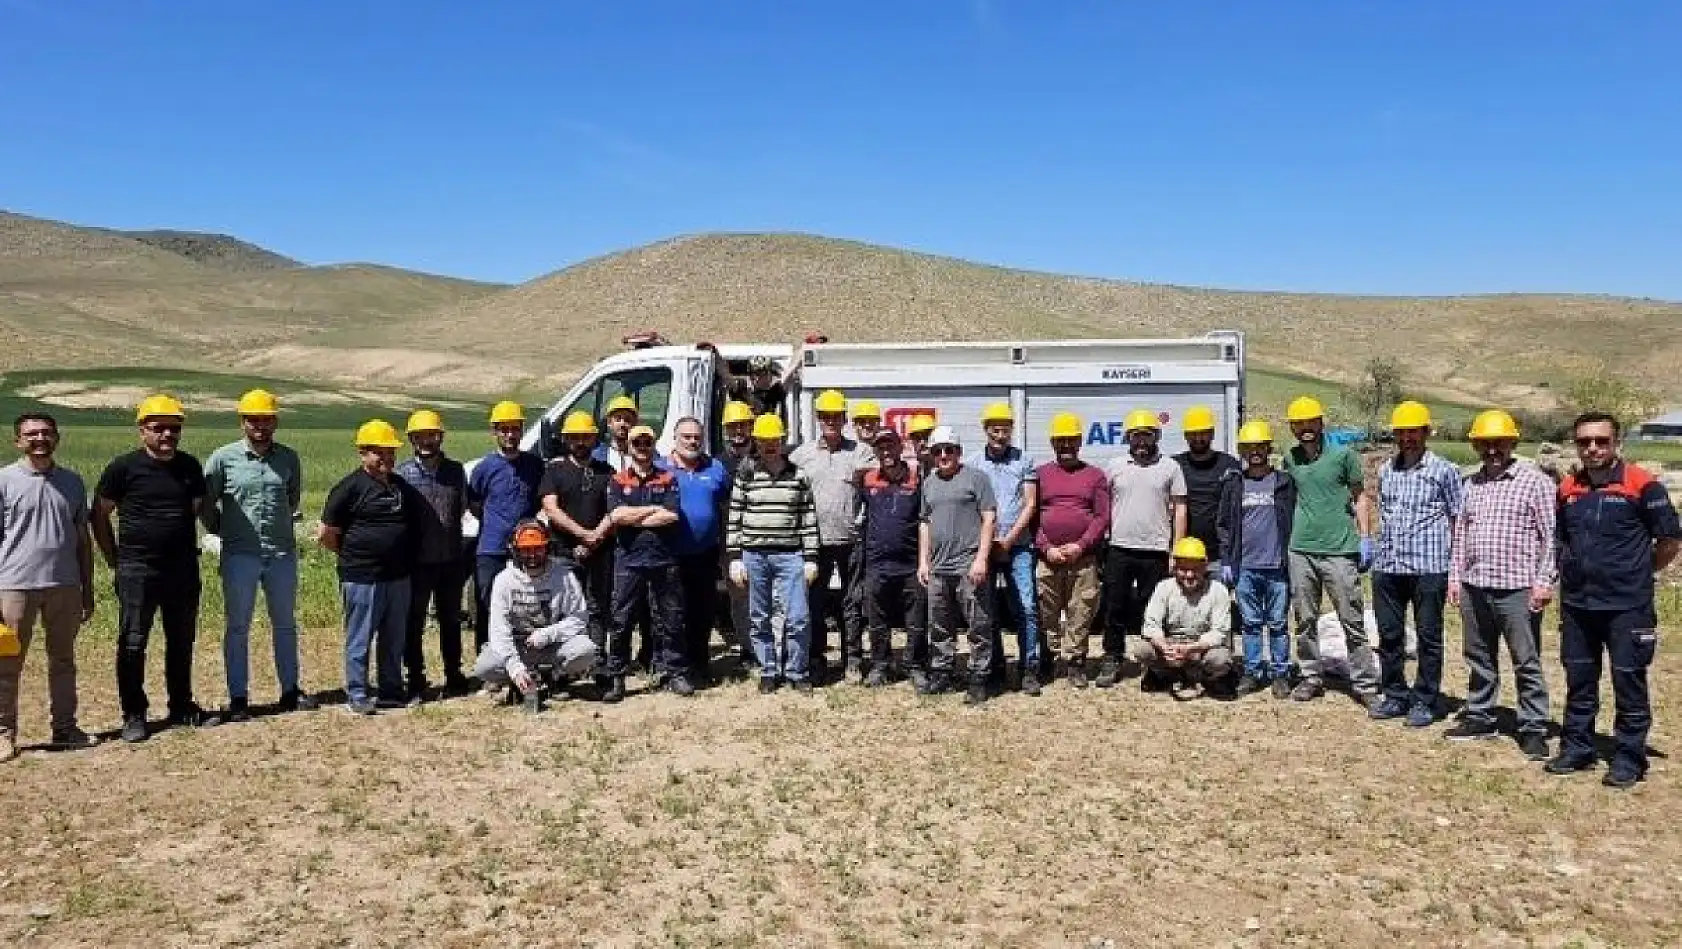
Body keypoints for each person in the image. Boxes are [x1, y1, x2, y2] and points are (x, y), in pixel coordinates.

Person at [1548, 411, 1680, 789]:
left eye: (1601, 441)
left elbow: (1669, 542)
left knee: (1628, 681)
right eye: (1584, 441)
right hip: (1578, 606)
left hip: (1628, 607)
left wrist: (1639, 573)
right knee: (1580, 680)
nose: (1592, 448)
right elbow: (1562, 541)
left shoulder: (1642, 484)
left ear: (1616, 443)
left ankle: (1628, 757)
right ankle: (1578, 748)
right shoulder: (1569, 487)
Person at [93, 394, 217, 742]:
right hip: (137, 569)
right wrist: (114, 559)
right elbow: (99, 514)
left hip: (181, 569)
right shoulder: (123, 468)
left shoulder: (190, 467)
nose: (166, 435)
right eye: (158, 428)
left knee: (181, 639)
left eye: (173, 429)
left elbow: (193, 509)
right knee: (133, 642)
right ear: (142, 430)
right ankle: (134, 713)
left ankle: (181, 706)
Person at [1446, 410, 1555, 759]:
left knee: (1526, 659)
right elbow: (1460, 533)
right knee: (1478, 656)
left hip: (1518, 588)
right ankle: (1481, 715)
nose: (1492, 449)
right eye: (1485, 443)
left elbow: (1552, 537)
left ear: (1512, 443)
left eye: (1499, 443)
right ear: (1476, 445)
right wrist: (1455, 578)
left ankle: (1533, 725)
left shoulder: (1535, 481)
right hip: (1475, 585)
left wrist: (1543, 581)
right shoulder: (1470, 484)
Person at [202, 389, 311, 721]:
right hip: (240, 555)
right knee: (238, 626)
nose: (260, 425)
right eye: (253, 419)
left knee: (285, 624)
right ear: (243, 422)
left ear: (275, 421)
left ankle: (290, 690)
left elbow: (291, 500)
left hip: (280, 554)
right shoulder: (223, 459)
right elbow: (207, 503)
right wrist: (225, 531)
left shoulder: (288, 459)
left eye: (266, 419)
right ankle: (238, 697)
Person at [0, 413, 97, 761]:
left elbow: (82, 542)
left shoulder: (72, 482)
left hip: (64, 585)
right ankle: (4, 733)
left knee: (63, 660)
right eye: (31, 434)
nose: (39, 438)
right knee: (6, 663)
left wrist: (88, 588)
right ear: (18, 441)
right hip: (13, 588)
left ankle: (66, 728)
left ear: (57, 438)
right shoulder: (5, 481)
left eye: (46, 433)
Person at [1368, 402, 1464, 728]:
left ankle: (1425, 699)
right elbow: (1385, 513)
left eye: (1414, 432)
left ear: (1426, 432)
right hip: (1389, 566)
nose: (1408, 438)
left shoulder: (1444, 471)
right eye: (1402, 432)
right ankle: (1395, 694)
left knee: (1428, 636)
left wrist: (1455, 568)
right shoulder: (1385, 470)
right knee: (1390, 634)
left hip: (1428, 567)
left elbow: (1457, 519)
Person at [1280, 396, 1379, 707]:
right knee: (1305, 618)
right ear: (1293, 428)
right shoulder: (1290, 457)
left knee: (1351, 618)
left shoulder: (1343, 456)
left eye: (1310, 423)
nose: (1305, 429)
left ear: (1321, 423)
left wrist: (1365, 537)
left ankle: (1365, 684)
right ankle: (1311, 675)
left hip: (1339, 550)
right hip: (1301, 549)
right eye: (1299, 424)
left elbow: (1360, 497)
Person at [319, 420, 422, 715]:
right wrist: (352, 555)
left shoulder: (401, 486)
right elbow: (327, 533)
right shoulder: (349, 488)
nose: (386, 459)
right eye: (379, 453)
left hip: (398, 576)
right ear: (363, 454)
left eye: (390, 452)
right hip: (362, 577)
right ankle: (358, 693)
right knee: (360, 636)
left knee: (393, 637)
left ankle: (391, 690)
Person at [727, 414, 820, 693]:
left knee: (798, 618)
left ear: (783, 441)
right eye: (764, 441)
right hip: (754, 554)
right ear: (756, 442)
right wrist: (734, 557)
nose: (770, 446)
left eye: (774, 440)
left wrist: (811, 558)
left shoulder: (799, 476)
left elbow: (808, 517)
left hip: (790, 555)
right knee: (759, 617)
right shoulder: (746, 475)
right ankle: (769, 670)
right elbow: (735, 516)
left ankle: (797, 671)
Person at [1098, 409, 1188, 688]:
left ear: (1157, 437)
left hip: (1156, 550)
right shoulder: (1114, 466)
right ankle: (1113, 657)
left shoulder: (1170, 468)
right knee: (1114, 607)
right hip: (1119, 548)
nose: (1141, 441)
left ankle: (1156, 663)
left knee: (1155, 610)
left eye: (1147, 435)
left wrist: (1177, 550)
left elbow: (1181, 510)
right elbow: (1103, 507)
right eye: (1136, 435)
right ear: (1127, 438)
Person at [471, 520, 598, 713]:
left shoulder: (564, 576)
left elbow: (580, 618)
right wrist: (515, 668)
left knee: (586, 651)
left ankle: (557, 677)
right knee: (484, 667)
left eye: (537, 549)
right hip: (518, 646)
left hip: (552, 645)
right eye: (526, 549)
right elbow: (499, 631)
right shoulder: (504, 581)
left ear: (547, 547)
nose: (532, 555)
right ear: (516, 550)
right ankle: (521, 680)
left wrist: (548, 634)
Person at [789, 389, 871, 683]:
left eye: (836, 417)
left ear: (844, 419)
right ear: (818, 419)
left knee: (853, 603)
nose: (831, 422)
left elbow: (874, 489)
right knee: (814, 602)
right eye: (825, 417)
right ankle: (816, 659)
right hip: (814, 542)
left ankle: (853, 660)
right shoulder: (801, 455)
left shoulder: (861, 452)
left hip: (851, 541)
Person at [601, 425, 688, 699]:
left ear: (653, 446)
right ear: (628, 446)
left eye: (647, 442)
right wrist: (652, 509)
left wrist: (634, 516)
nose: (641, 447)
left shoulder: (668, 478)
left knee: (671, 618)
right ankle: (617, 676)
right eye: (636, 442)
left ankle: (676, 672)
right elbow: (616, 516)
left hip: (664, 558)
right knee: (621, 619)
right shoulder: (618, 480)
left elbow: (671, 516)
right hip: (629, 560)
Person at [1217, 420, 1297, 699]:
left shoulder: (1284, 483)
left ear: (1268, 449)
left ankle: (1280, 674)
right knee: (1250, 623)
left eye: (1260, 446)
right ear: (1241, 451)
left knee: (1277, 623)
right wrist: (1227, 559)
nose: (1255, 452)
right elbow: (1224, 524)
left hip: (1277, 566)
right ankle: (1252, 672)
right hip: (1245, 567)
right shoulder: (1234, 484)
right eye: (1249, 448)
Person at [918, 426, 998, 704]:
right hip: (939, 568)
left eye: (948, 450)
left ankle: (979, 677)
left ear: (958, 452)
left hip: (968, 566)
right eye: (937, 451)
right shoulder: (928, 482)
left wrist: (981, 559)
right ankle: (942, 671)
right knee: (939, 625)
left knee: (978, 625)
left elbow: (989, 519)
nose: (943, 455)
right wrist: (923, 562)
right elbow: (925, 523)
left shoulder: (976, 478)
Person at [396, 409, 470, 700]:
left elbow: (462, 506)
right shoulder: (402, 474)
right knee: (413, 622)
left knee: (451, 620)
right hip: (417, 561)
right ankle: (415, 677)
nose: (427, 441)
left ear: (440, 437)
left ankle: (454, 674)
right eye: (420, 436)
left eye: (432, 435)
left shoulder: (456, 471)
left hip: (451, 558)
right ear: (412, 439)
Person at [1035, 412, 1110, 689]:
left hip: (1084, 558)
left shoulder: (1095, 476)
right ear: (1053, 443)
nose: (1066, 446)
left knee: (1081, 611)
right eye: (1060, 441)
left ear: (1080, 442)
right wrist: (1046, 547)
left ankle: (1076, 661)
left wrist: (1081, 545)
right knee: (1046, 611)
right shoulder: (1040, 474)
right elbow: (1031, 516)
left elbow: (1102, 517)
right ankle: (1049, 657)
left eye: (1071, 441)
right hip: (1048, 557)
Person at [974, 402, 1040, 694]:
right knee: (986, 611)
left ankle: (1030, 668)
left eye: (1005, 430)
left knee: (1026, 607)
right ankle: (995, 667)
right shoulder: (974, 464)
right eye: (994, 430)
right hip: (985, 548)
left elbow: (1031, 504)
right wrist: (987, 545)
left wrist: (1010, 539)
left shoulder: (1024, 461)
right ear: (986, 430)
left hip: (1018, 547)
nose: (1000, 435)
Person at [467, 401, 543, 654]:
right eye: (504, 429)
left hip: (525, 549)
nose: (510, 434)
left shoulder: (534, 465)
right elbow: (474, 502)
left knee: (525, 607)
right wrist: (496, 523)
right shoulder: (484, 468)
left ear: (522, 431)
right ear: (495, 432)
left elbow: (536, 501)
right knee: (488, 606)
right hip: (490, 549)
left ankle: (524, 660)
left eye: (515, 428)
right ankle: (489, 663)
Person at [538, 412, 616, 653]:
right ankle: (563, 666)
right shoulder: (555, 470)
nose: (580, 442)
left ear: (594, 439)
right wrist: (584, 535)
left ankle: (597, 662)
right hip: (563, 552)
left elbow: (615, 509)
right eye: (574, 438)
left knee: (597, 609)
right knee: (562, 609)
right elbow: (551, 509)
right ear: (565, 440)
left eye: (585, 437)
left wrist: (594, 539)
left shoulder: (607, 471)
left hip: (599, 552)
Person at [856, 428, 925, 689]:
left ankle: (915, 666)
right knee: (877, 620)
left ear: (900, 447)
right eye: (880, 447)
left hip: (910, 564)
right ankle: (880, 666)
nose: (886, 452)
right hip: (877, 563)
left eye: (890, 446)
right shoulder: (868, 480)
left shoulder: (917, 479)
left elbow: (924, 520)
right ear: (875, 451)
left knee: (916, 621)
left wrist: (923, 562)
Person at [665, 417, 732, 685]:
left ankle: (700, 664)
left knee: (702, 612)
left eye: (697, 437)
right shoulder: (662, 468)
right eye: (687, 437)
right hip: (671, 554)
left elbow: (726, 504)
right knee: (673, 613)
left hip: (705, 554)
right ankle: (675, 668)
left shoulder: (716, 469)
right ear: (675, 438)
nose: (692, 442)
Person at [1129, 537, 1235, 695]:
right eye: (1184, 569)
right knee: (1141, 650)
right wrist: (1165, 647)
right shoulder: (1164, 587)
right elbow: (1151, 624)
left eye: (1195, 569)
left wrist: (1192, 649)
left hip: (1201, 647)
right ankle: (1164, 674)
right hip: (1171, 645)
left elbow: (1220, 632)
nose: (1189, 575)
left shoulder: (1218, 590)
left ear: (1205, 567)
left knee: (1220, 659)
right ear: (1175, 567)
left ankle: (1209, 678)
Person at [718, 401, 761, 668]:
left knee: (767, 597)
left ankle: (769, 648)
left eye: (743, 425)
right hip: (731, 542)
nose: (738, 431)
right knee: (740, 598)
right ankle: (748, 649)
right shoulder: (717, 464)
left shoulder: (766, 456)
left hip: (763, 539)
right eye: (733, 426)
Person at [1172, 405, 1241, 571]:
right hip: (1185, 555)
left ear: (1212, 434)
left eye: (1203, 433)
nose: (1198, 438)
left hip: (1219, 556)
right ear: (1185, 436)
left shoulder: (1229, 464)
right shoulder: (1175, 465)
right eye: (1193, 434)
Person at [720, 350, 801, 417]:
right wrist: (714, 352)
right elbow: (726, 376)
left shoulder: (773, 392)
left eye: (762, 374)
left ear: (769, 375)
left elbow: (792, 367)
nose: (757, 378)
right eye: (754, 374)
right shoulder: (742, 389)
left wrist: (806, 347)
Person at [593, 396, 640, 473]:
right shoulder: (597, 456)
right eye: (618, 419)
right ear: (609, 422)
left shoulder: (644, 455)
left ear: (635, 423)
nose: (622, 424)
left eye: (627, 420)